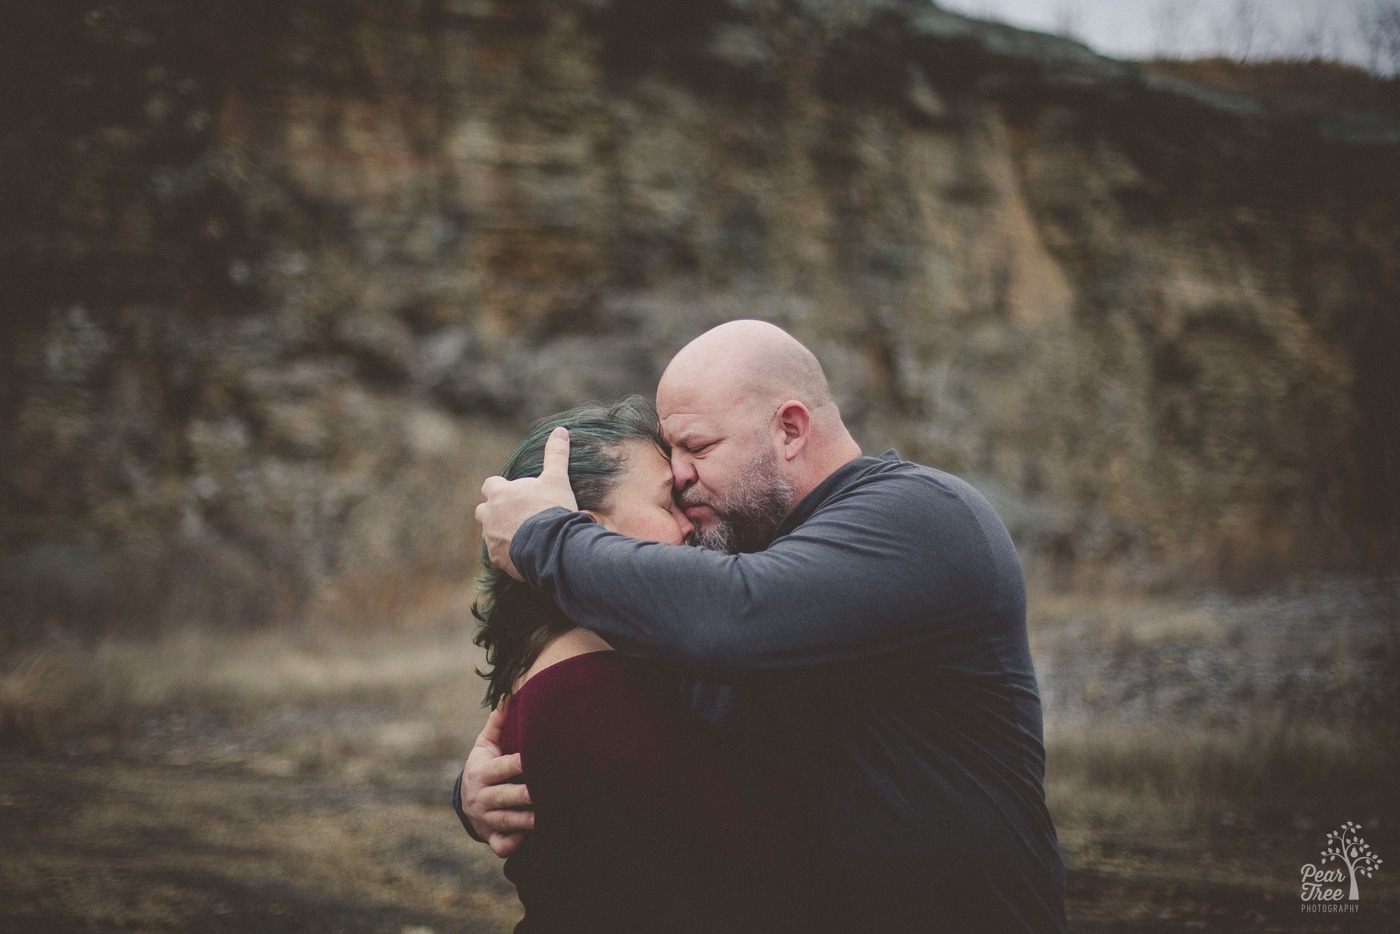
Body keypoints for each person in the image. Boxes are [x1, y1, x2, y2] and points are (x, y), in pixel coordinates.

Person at [467, 320, 1067, 932]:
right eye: (671, 453)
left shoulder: (920, 516)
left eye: (698, 449)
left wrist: (544, 535)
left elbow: (732, 620)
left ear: (789, 429)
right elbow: (630, 735)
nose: (678, 474)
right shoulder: (740, 551)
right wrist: (491, 787)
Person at [453, 397, 811, 933]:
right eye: (669, 504)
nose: (690, 525)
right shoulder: (588, 684)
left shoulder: (597, 665)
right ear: (580, 532)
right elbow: (758, 869)